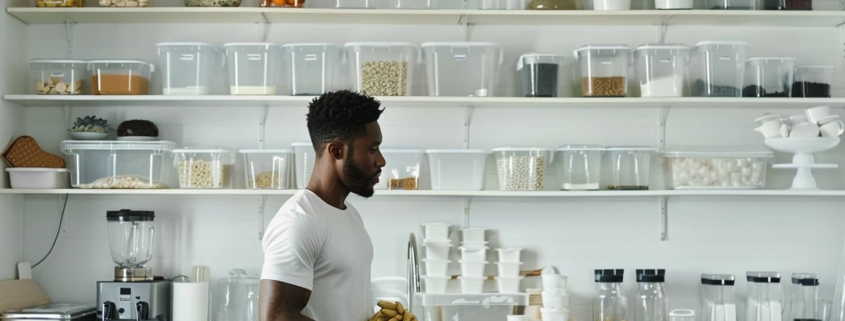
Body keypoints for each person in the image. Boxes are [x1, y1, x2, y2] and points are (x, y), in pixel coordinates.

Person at [259, 90, 386, 321]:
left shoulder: (350, 215)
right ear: (336, 151)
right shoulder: (300, 221)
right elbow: (276, 317)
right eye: (372, 148)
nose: (381, 161)